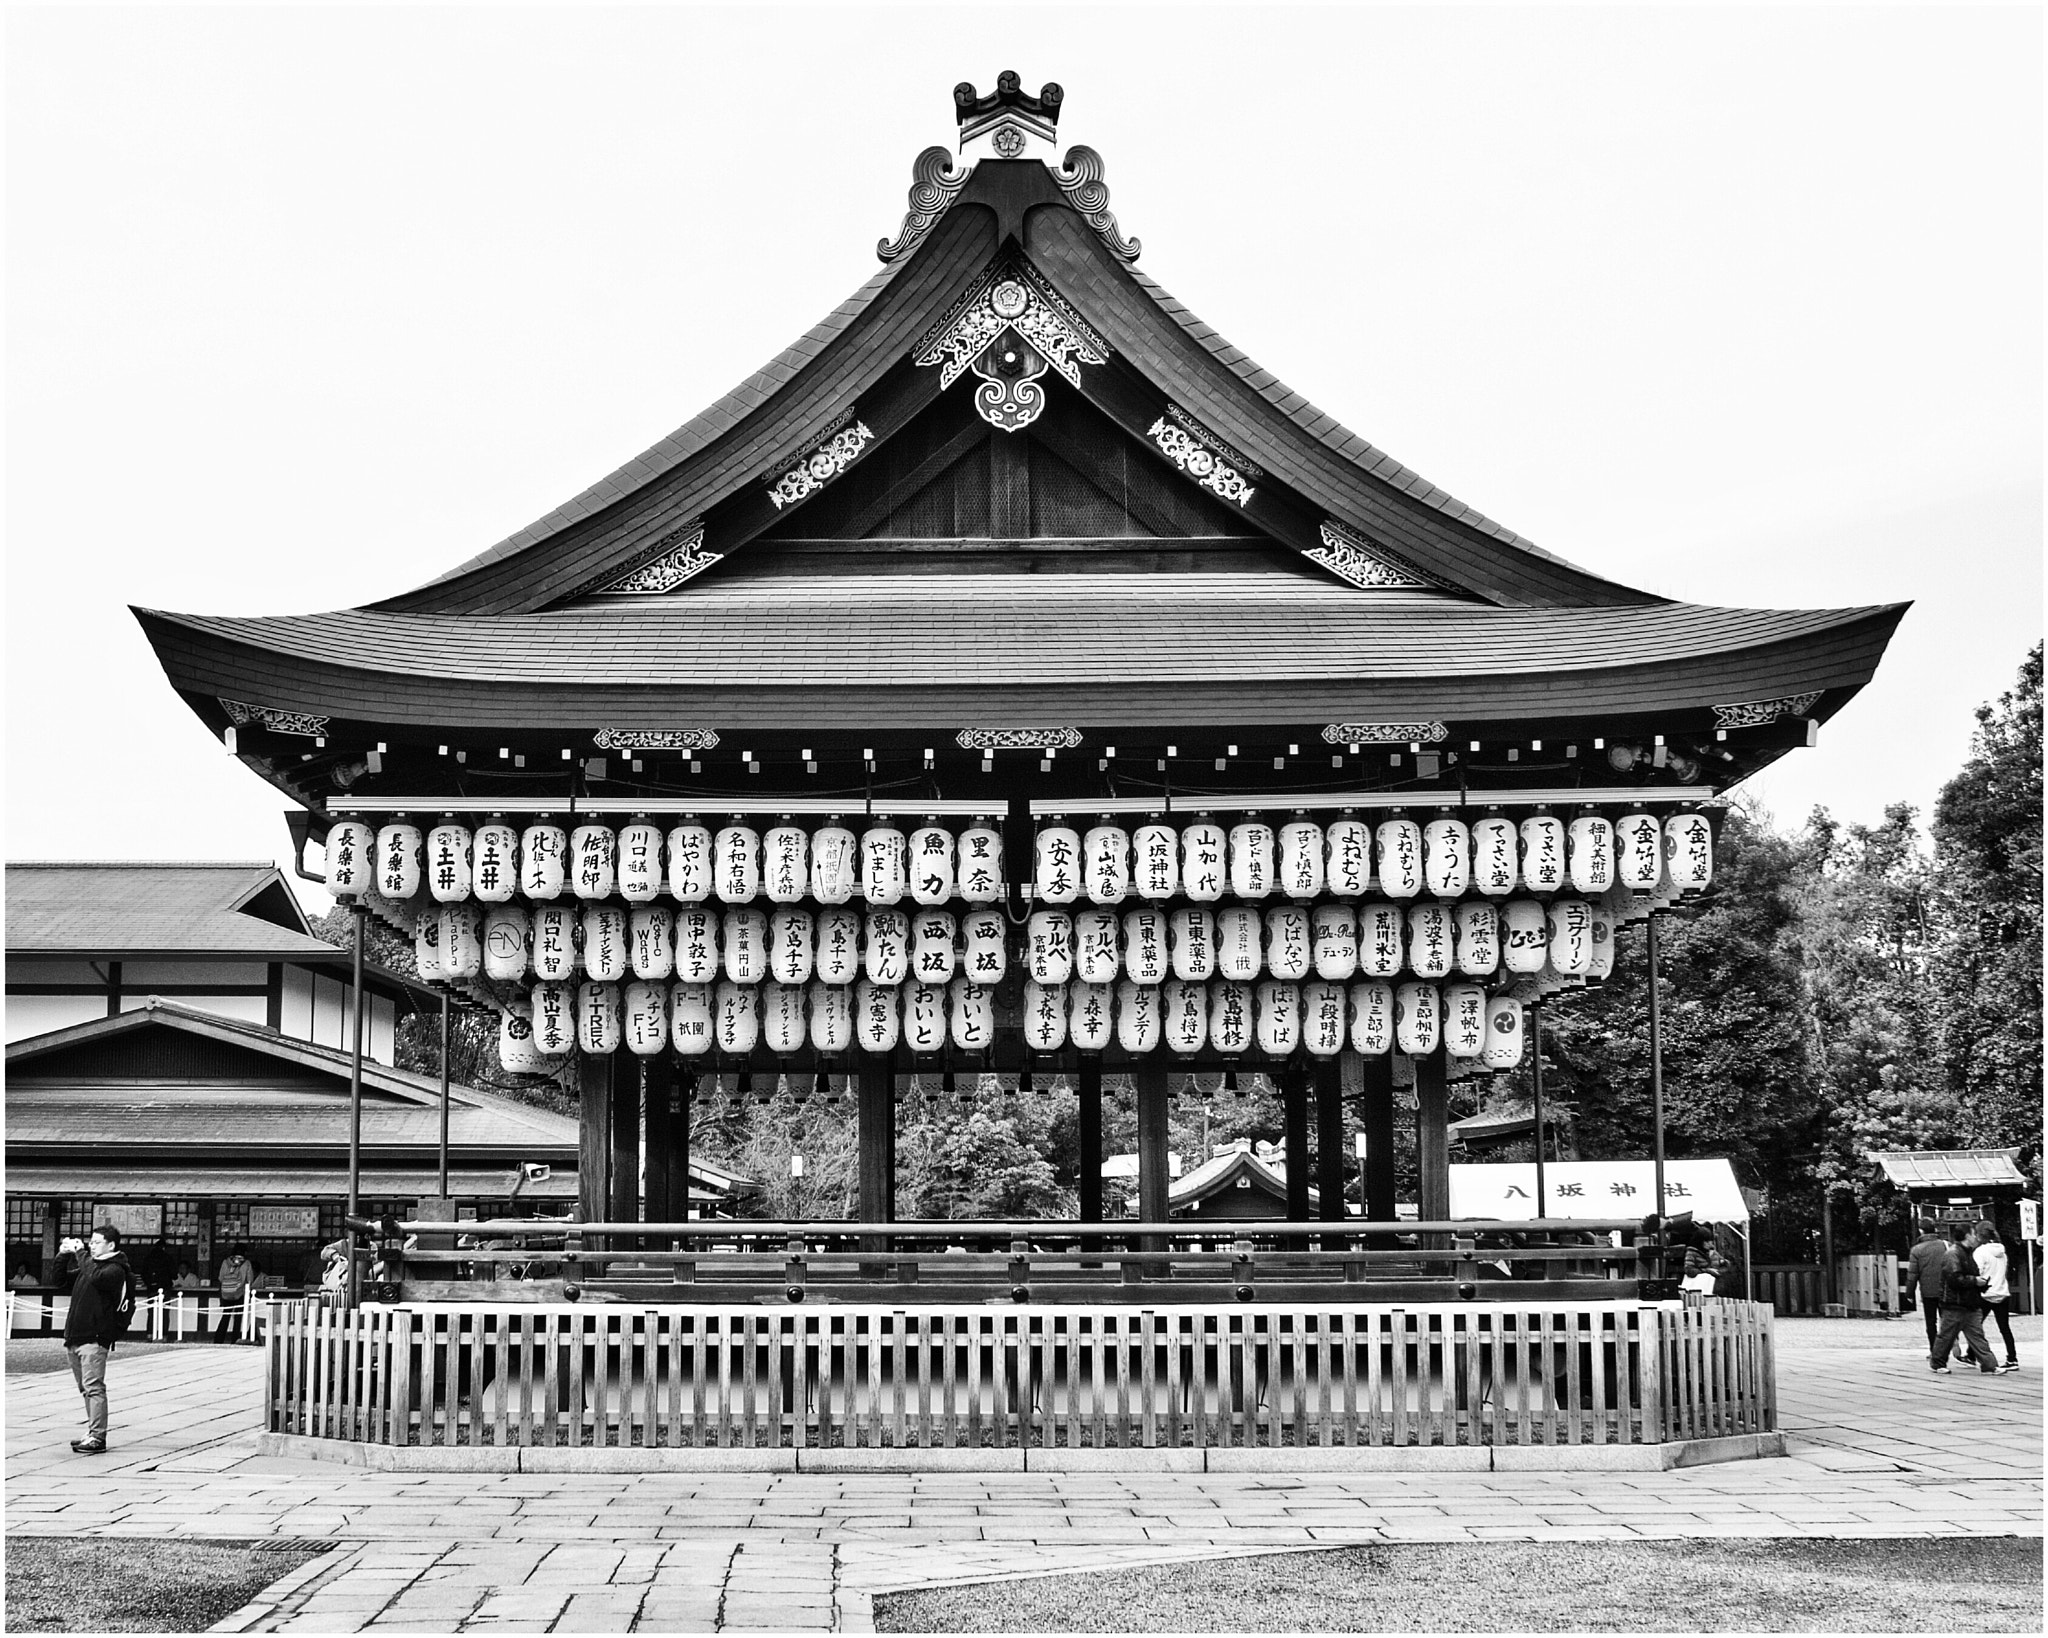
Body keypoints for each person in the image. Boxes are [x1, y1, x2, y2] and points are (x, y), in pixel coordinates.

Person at [60, 1224, 134, 1454]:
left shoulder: (115, 1269)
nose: (91, 1246)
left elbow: (95, 1277)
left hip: (95, 1337)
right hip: (75, 1336)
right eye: (90, 1242)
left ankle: (97, 1436)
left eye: (96, 1242)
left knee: (94, 1388)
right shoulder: (90, 1266)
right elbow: (59, 1280)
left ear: (111, 1245)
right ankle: (92, 1430)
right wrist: (63, 1255)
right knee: (85, 1388)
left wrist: (80, 1252)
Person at [1930, 1225, 2000, 1376]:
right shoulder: (1953, 1254)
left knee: (1977, 1335)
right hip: (1954, 1302)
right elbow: (1955, 1279)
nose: (1975, 1237)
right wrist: (1975, 1281)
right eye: (1973, 1234)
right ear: (1967, 1236)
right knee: (1947, 1335)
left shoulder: (1966, 1253)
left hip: (1968, 1302)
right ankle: (1937, 1363)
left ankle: (1990, 1365)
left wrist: (1979, 1283)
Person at [1971, 1219, 2020, 1374]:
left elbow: (1977, 1271)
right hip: (2002, 1291)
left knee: (1975, 1326)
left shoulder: (1980, 1252)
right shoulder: (2002, 1251)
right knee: (2004, 1327)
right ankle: (2012, 1358)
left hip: (1986, 1292)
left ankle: (1972, 1355)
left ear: (1979, 1235)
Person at [1903, 1221, 1951, 1358]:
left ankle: (1935, 1351)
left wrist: (1909, 1292)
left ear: (1921, 1231)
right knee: (1946, 1320)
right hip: (1946, 1289)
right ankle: (1949, 1346)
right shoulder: (1946, 1245)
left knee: (1931, 1322)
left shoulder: (1917, 1250)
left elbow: (1913, 1274)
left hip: (1928, 1291)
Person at [215, 1246, 257, 1342]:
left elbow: (221, 1278)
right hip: (240, 1293)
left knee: (225, 1316)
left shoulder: (225, 1262)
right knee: (238, 1318)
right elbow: (250, 1279)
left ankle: (218, 1339)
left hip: (226, 1293)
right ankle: (235, 1339)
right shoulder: (246, 1263)